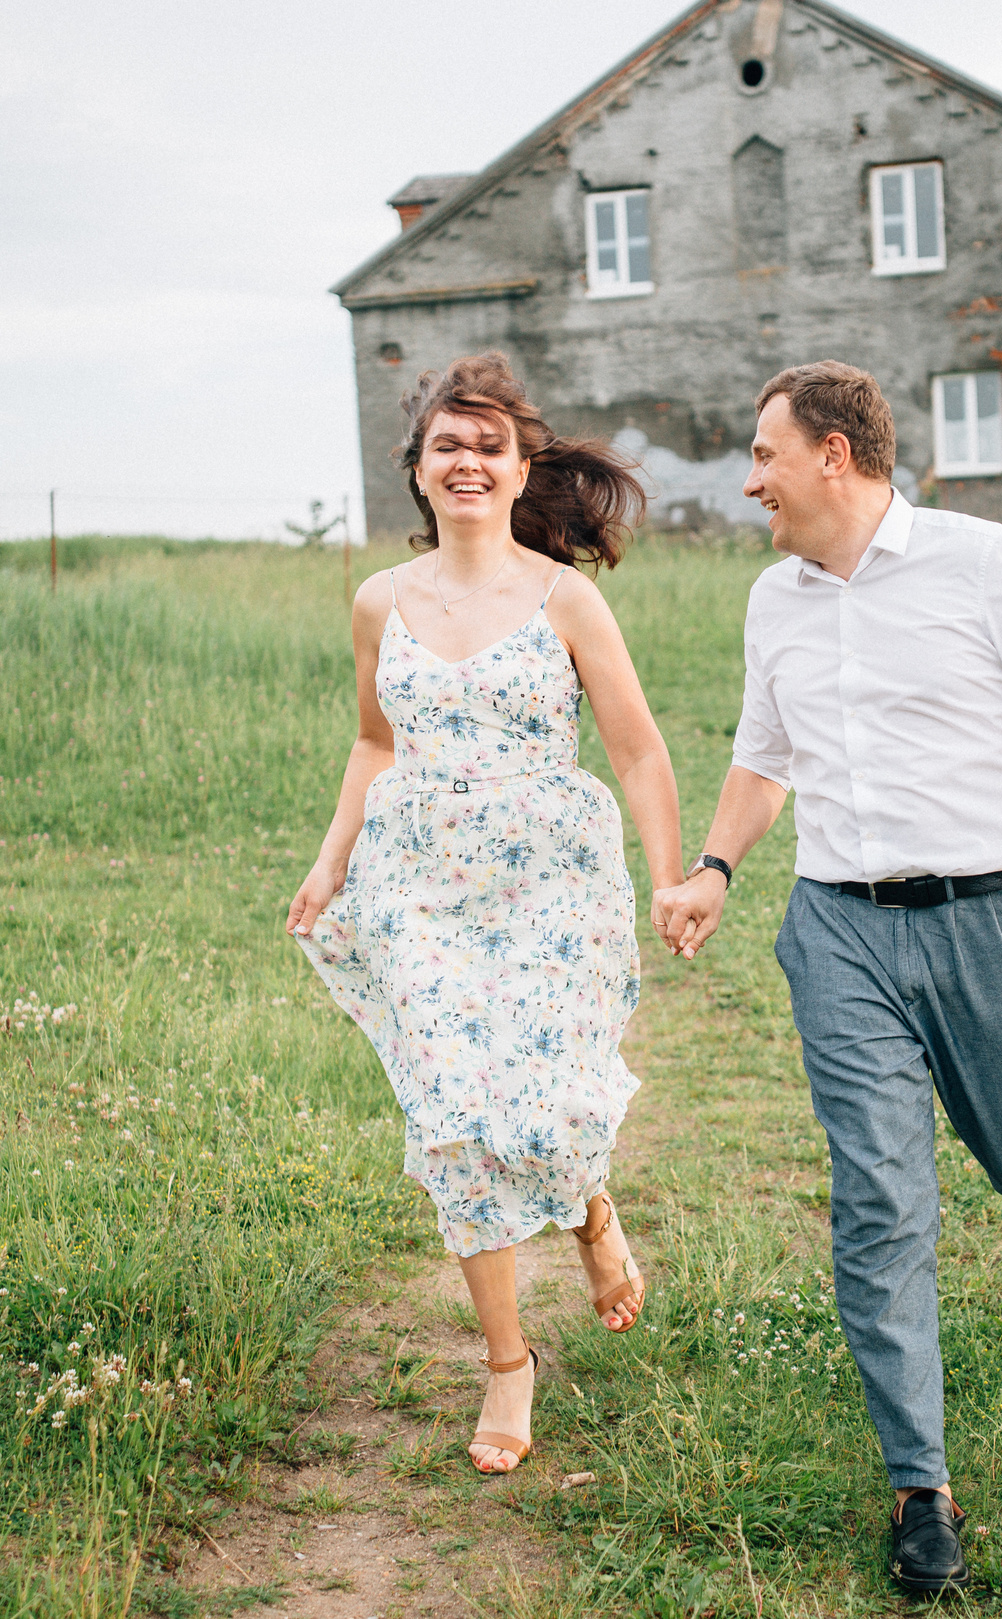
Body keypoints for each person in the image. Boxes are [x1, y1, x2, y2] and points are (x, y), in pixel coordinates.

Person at [650, 361, 1002, 1595]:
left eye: (765, 455)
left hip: (992, 917)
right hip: (840, 930)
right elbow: (766, 753)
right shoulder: (774, 597)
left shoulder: (982, 562)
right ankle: (921, 1485)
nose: (749, 479)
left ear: (835, 455)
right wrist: (715, 864)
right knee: (879, 1197)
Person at [287, 352, 684, 1476]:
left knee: (546, 1108)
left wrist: (669, 874)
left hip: (549, 883)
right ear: (417, 472)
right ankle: (508, 1362)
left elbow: (636, 745)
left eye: (488, 446)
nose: (467, 462)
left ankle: (590, 1214)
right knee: (458, 1116)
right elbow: (375, 744)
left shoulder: (567, 598)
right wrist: (330, 867)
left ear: (519, 472)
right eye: (446, 445)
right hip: (417, 888)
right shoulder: (379, 601)